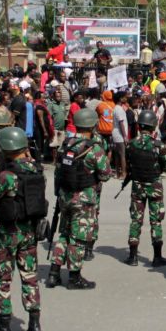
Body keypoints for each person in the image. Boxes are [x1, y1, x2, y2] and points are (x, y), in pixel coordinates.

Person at [0, 127, 47, 331]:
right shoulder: (37, 170)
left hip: (8, 233)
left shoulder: (6, 176)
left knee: (3, 279)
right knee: (30, 278)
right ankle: (34, 327)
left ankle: (4, 329)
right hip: (30, 232)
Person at [47, 108, 111, 289]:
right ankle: (74, 277)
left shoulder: (66, 144)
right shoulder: (94, 148)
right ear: (92, 125)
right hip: (84, 199)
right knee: (78, 238)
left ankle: (53, 273)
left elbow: (58, 172)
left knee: (64, 234)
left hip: (65, 196)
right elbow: (106, 174)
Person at [124, 109, 166, 267]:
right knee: (156, 221)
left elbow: (128, 162)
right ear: (153, 127)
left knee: (135, 220)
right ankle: (157, 257)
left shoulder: (131, 144)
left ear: (139, 127)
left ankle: (132, 256)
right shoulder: (159, 146)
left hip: (137, 185)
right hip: (154, 186)